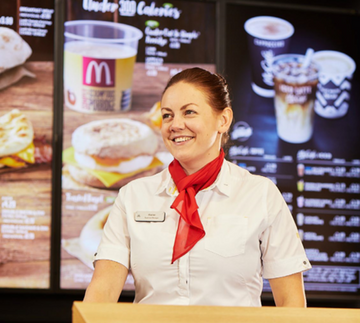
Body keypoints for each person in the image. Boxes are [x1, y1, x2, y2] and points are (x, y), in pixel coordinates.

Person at [83, 67, 311, 307]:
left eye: (189, 112)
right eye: (167, 115)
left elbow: (291, 303)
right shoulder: (133, 196)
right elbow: (102, 292)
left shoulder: (260, 194)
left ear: (223, 120)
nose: (175, 125)